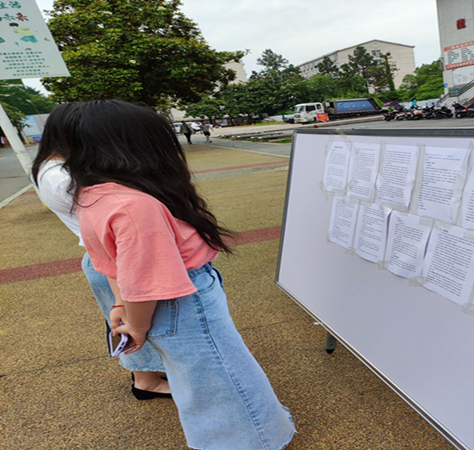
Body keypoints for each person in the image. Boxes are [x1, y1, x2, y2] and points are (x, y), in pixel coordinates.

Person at [50, 100, 295, 450]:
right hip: (182, 297)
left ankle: (249, 433)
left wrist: (120, 305)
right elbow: (146, 280)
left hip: (158, 301)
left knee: (197, 377)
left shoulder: (92, 194)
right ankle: (253, 440)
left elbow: (111, 261)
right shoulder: (135, 205)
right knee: (222, 377)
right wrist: (136, 323)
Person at [31, 103, 171, 401]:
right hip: (111, 262)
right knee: (129, 325)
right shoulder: (64, 177)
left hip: (107, 258)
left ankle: (149, 374)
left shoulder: (54, 167)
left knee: (130, 322)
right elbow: (110, 228)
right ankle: (145, 381)